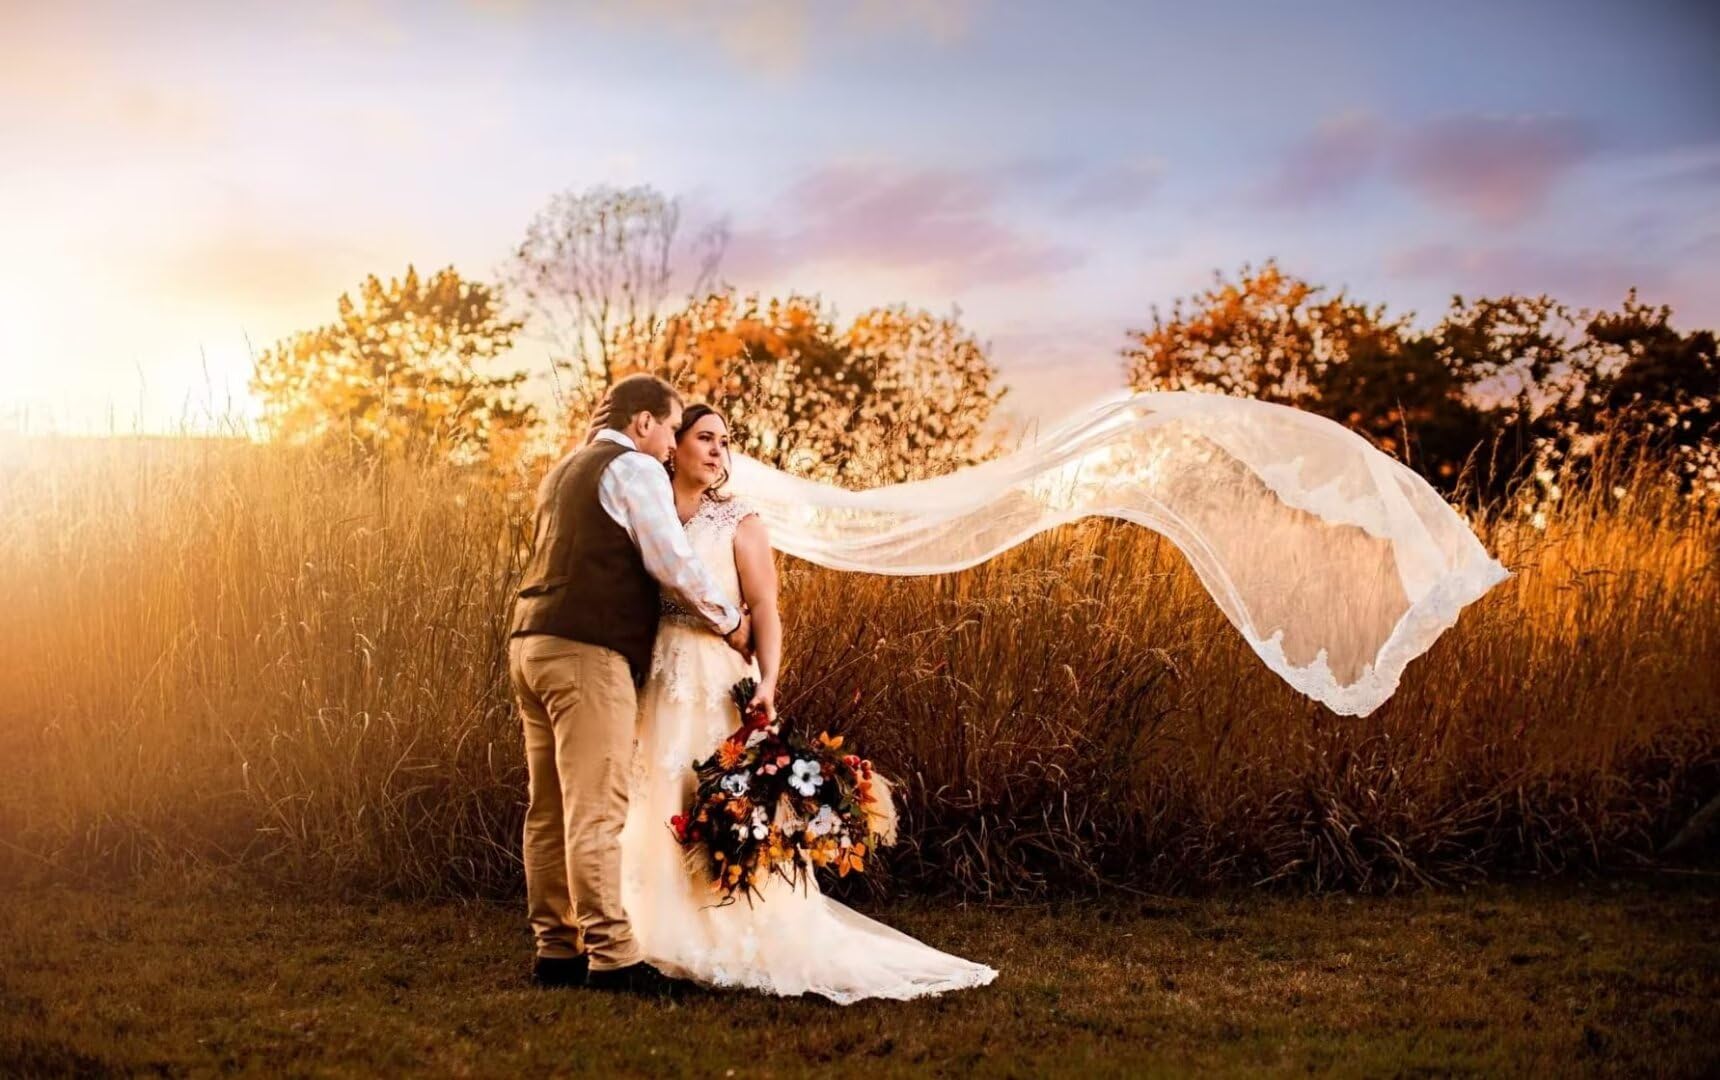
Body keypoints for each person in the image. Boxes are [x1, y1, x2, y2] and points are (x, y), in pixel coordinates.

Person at [616, 403, 999, 1003]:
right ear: (676, 445)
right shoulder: (647, 508)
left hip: (716, 673)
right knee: (651, 793)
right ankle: (645, 928)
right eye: (704, 438)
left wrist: (767, 681)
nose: (718, 450)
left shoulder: (739, 521)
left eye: (725, 440)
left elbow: (765, 608)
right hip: (656, 673)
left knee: (712, 792)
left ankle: (725, 923)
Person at [506, 374, 754, 998]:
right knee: (598, 806)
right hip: (588, 654)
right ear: (643, 422)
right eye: (672, 429)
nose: (672, 446)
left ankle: (556, 948)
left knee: (550, 808)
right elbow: (670, 560)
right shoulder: (633, 467)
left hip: (531, 643)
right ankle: (614, 956)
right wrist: (730, 622)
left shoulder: (563, 470)